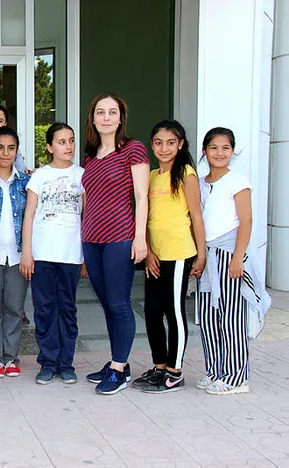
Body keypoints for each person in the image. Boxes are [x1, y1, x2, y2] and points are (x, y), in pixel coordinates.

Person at [81, 93, 149, 395]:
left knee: (120, 303)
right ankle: (117, 361)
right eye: (100, 112)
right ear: (93, 118)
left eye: (112, 112)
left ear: (121, 118)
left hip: (120, 238)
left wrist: (140, 237)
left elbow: (141, 196)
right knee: (107, 303)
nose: (106, 117)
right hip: (91, 239)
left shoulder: (133, 149)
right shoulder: (90, 156)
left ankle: (119, 370)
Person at [132, 120, 206, 393]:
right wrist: (148, 252)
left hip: (178, 253)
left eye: (171, 143)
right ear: (152, 145)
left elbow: (196, 216)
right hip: (156, 256)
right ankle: (160, 366)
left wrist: (201, 254)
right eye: (159, 143)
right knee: (152, 312)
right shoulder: (151, 176)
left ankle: (175, 373)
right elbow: (145, 217)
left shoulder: (186, 173)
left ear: (181, 145)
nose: (164, 148)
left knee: (173, 312)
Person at [196, 127, 271, 395]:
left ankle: (236, 377)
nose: (219, 153)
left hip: (229, 256)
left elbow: (246, 221)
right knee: (208, 318)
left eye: (225, 148)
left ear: (232, 151)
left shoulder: (237, 181)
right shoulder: (200, 183)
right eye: (214, 148)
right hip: (208, 258)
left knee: (231, 319)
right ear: (204, 150)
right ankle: (215, 371)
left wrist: (238, 257)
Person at [20, 122, 84, 385]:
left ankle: (66, 363)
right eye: (61, 142)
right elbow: (29, 215)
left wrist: (85, 255)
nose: (68, 146)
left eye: (71, 140)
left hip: (71, 255)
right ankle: (48, 362)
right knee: (45, 309)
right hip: (42, 254)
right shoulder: (40, 176)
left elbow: (86, 216)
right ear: (49, 146)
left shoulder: (82, 175)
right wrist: (27, 252)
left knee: (67, 308)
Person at [0, 126, 30, 379]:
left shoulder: (26, 183)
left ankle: (10, 357)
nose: (5, 153)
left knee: (14, 308)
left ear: (17, 151)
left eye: (11, 148)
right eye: (0, 147)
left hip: (18, 256)